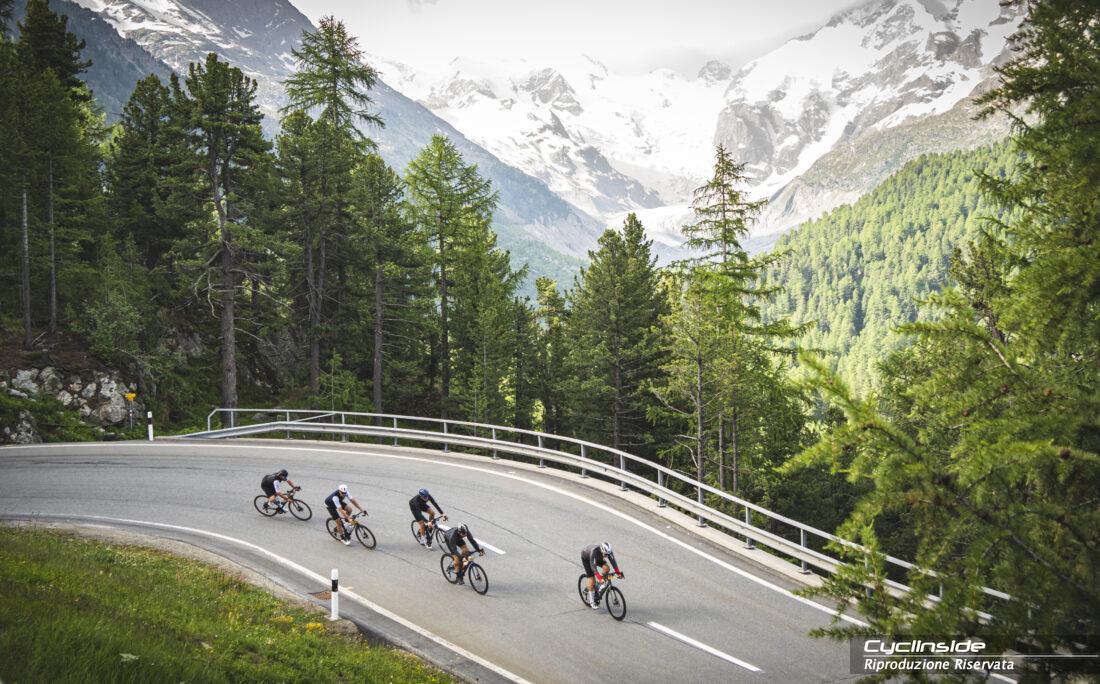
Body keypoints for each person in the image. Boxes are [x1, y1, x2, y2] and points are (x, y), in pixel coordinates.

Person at [581, 542, 622, 609]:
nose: (606, 556)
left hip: (598, 557)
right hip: (587, 558)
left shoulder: (608, 552)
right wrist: (600, 578)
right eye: (605, 555)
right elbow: (594, 568)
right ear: (602, 550)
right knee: (591, 578)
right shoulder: (594, 552)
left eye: (608, 555)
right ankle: (592, 602)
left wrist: (618, 573)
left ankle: (598, 584)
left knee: (607, 568)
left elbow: (613, 562)